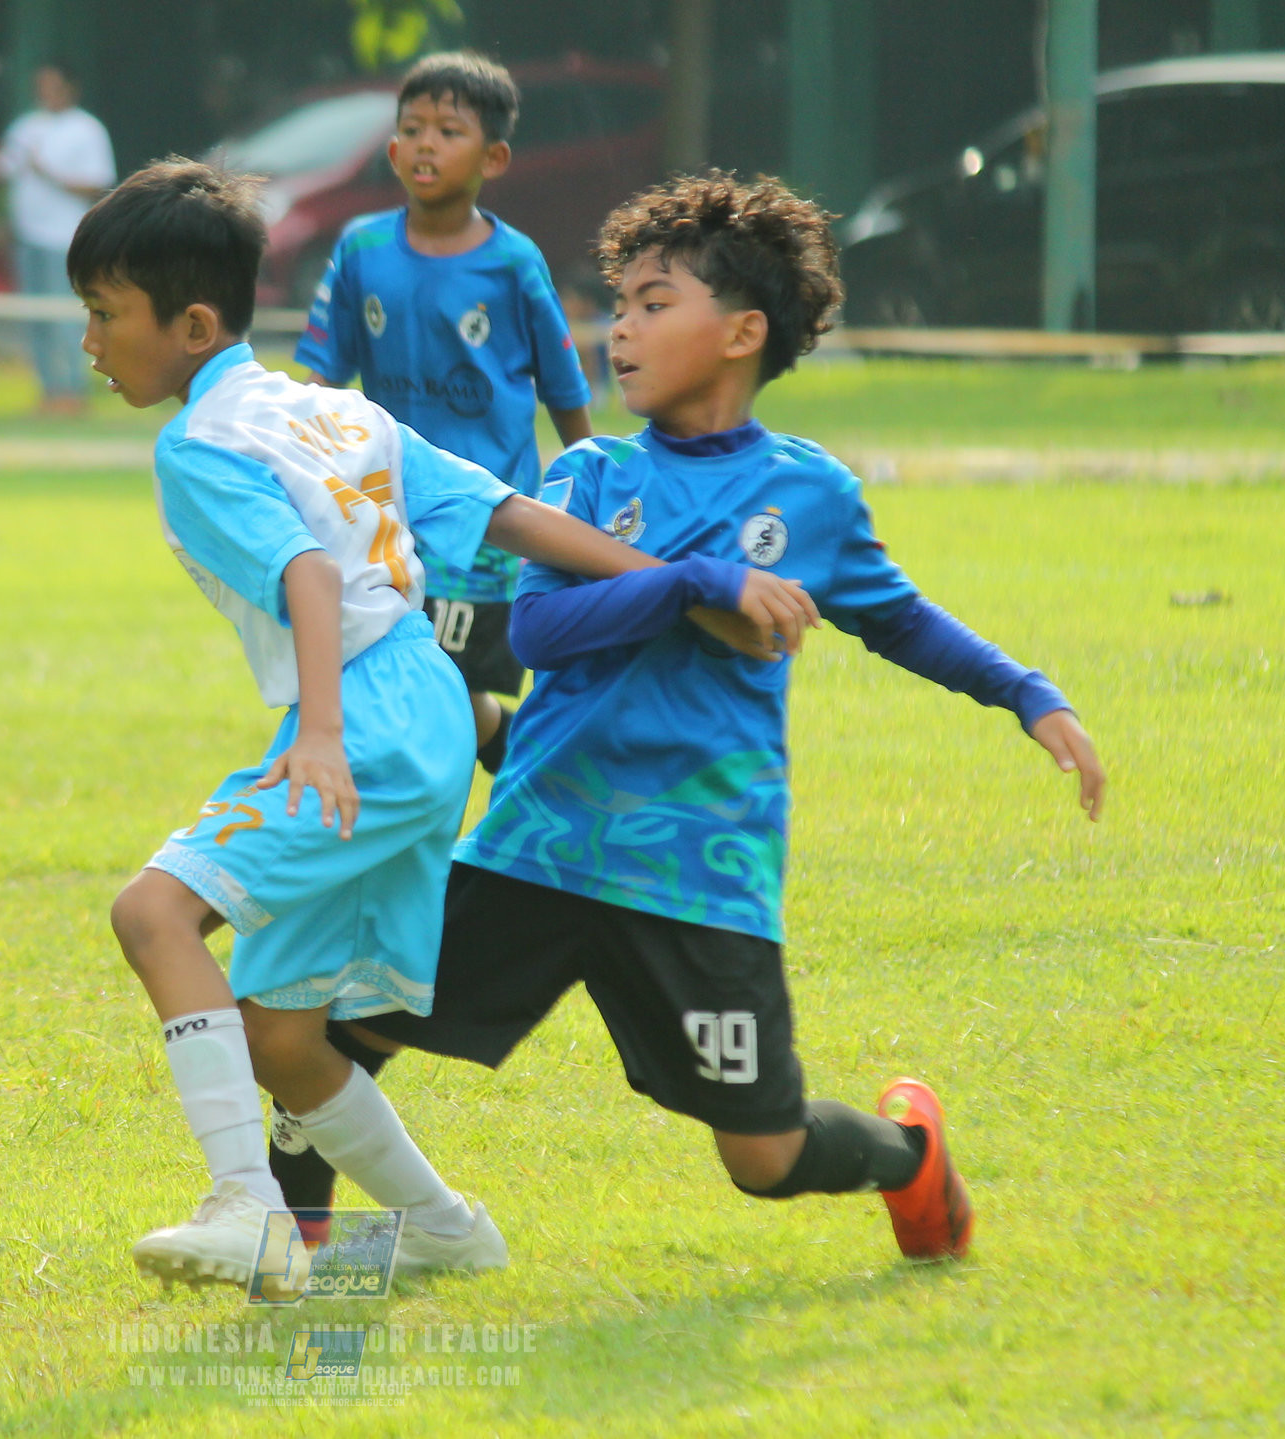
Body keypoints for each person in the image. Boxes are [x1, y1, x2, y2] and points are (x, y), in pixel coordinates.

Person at [279, 172, 1110, 1265]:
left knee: (761, 1157)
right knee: (338, 1031)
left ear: (741, 332)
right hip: (542, 841)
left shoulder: (808, 494)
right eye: (615, 305)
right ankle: (293, 1238)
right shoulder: (586, 474)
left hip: (699, 872)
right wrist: (691, 583)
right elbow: (536, 635)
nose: (617, 328)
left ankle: (909, 1157)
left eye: (651, 303)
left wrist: (1025, 693)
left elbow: (898, 619)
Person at [71, 160, 810, 1295]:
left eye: (105, 314)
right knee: (282, 1034)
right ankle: (444, 1223)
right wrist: (688, 577)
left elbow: (309, 579)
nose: (89, 340)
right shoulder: (333, 410)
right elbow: (506, 514)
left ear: (194, 323)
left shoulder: (198, 447)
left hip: (359, 715)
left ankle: (246, 1208)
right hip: (426, 706)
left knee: (151, 913)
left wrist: (317, 734)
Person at [295, 52, 591, 781]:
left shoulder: (514, 263)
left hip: (488, 521)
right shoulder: (361, 248)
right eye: (414, 128)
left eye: (449, 130)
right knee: (408, 679)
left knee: (448, 684)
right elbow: (322, 382)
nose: (426, 143)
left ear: (494, 157)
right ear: (392, 149)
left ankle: (499, 800)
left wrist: (594, 484)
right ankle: (520, 767)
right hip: (385, 513)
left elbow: (562, 384)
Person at [0, 63, 114, 417]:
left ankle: (73, 390)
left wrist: (49, 174)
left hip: (65, 237)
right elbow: (4, 170)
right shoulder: (26, 127)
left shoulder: (87, 129)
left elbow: (97, 183)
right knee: (36, 318)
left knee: (64, 316)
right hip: (27, 235)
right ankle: (48, 391)